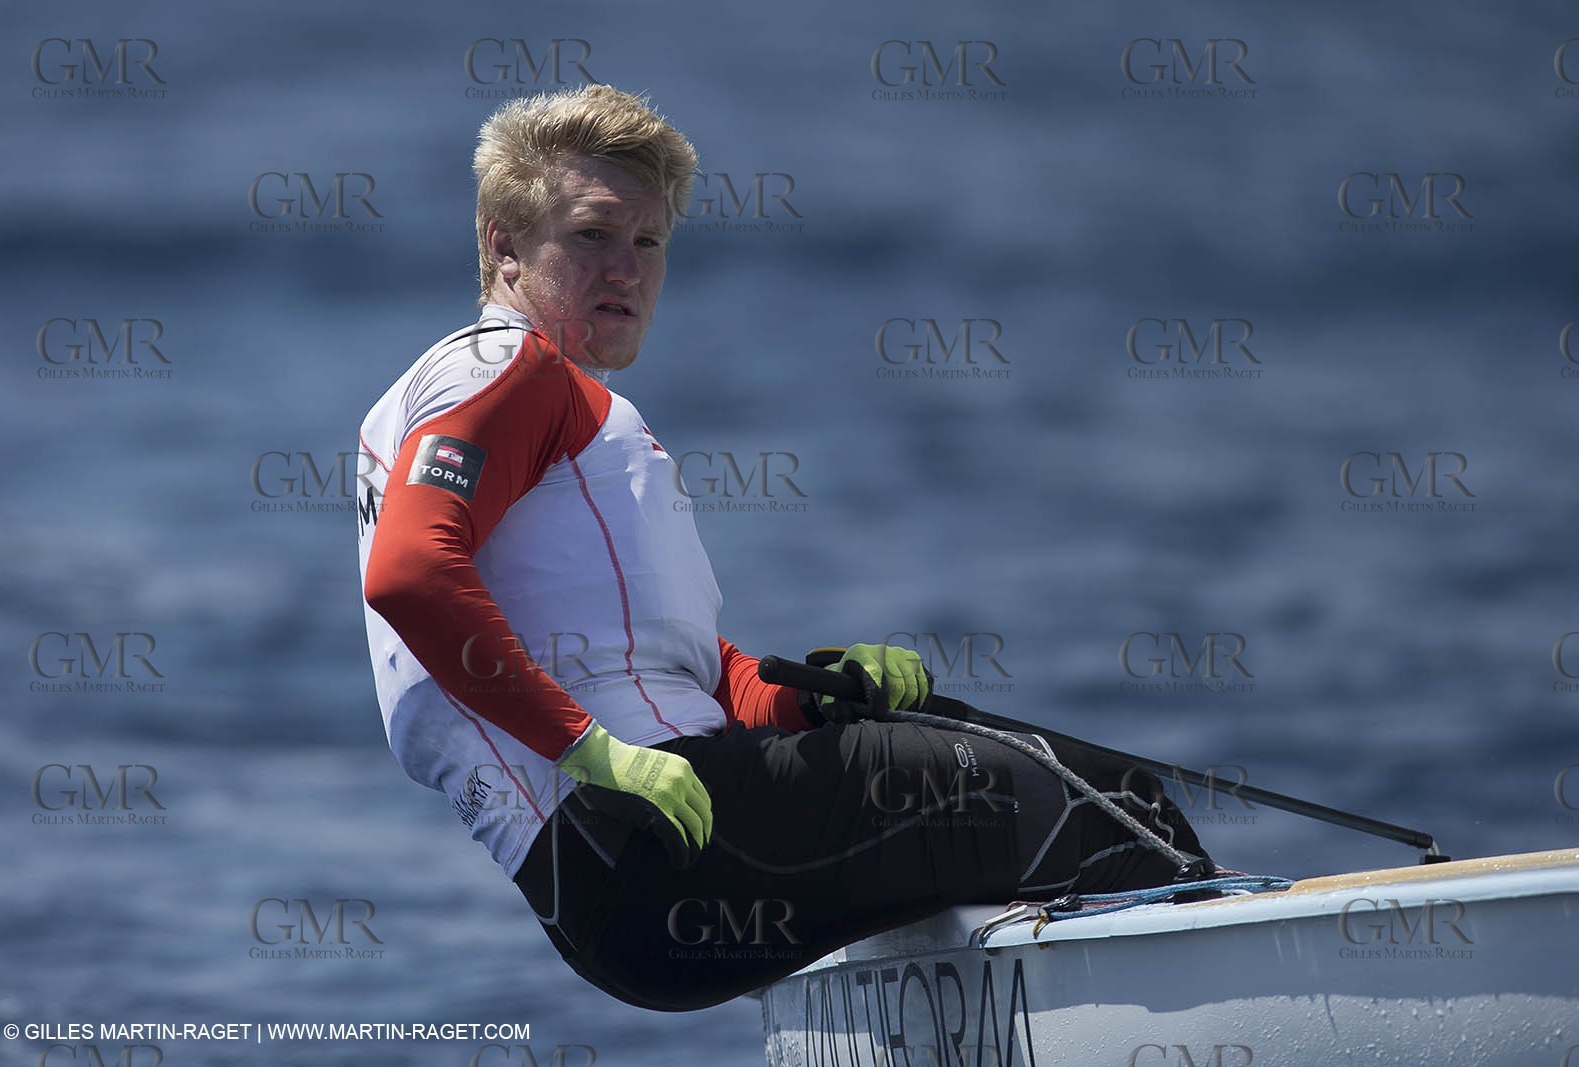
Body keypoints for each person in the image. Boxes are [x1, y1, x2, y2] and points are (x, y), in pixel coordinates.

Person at [356, 85, 1210, 1012]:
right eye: (594, 235)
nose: (628, 270)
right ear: (504, 244)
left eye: (648, 243)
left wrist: (795, 698)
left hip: (617, 893)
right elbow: (410, 573)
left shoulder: (447, 406)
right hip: (666, 835)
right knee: (1120, 804)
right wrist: (589, 749)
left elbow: (666, 668)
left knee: (992, 778)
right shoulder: (511, 370)